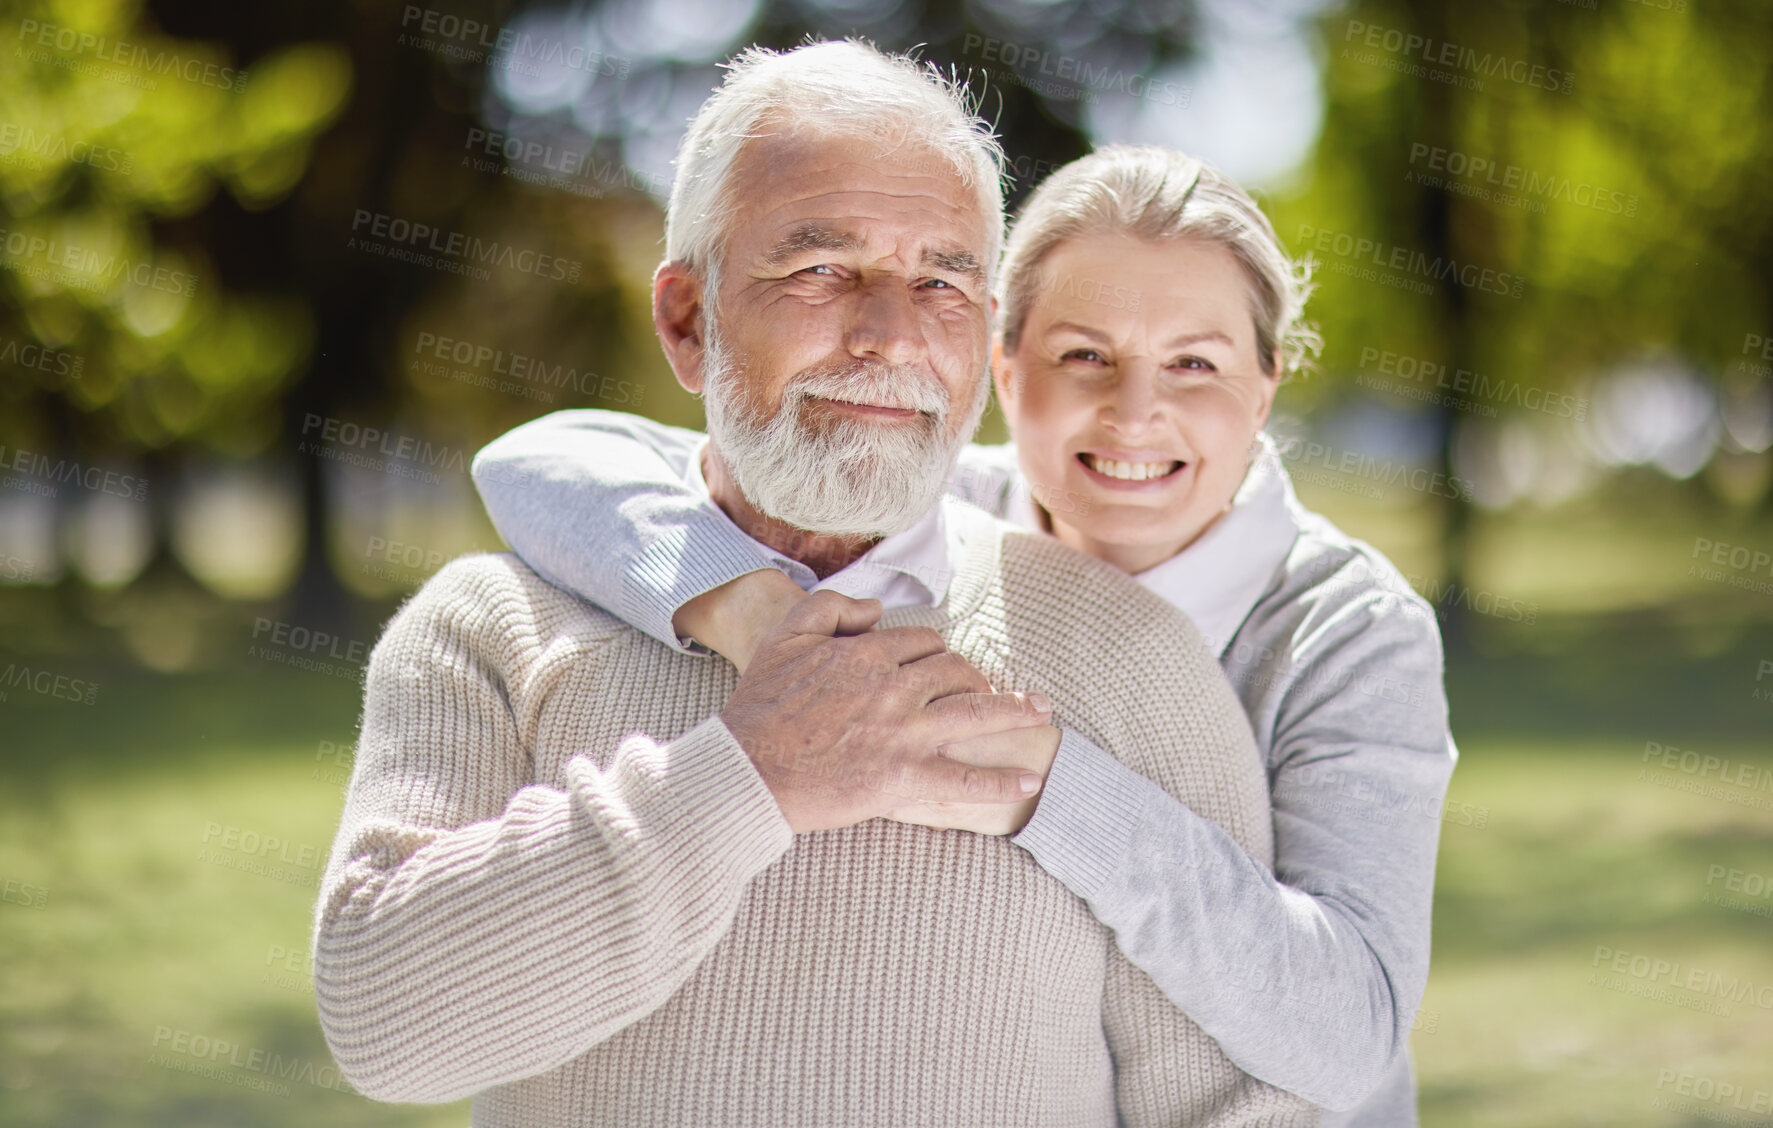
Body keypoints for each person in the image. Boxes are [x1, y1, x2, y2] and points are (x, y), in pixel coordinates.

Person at [316, 43, 1314, 1127]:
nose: (889, 335)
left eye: (941, 282)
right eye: (820, 271)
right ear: (687, 321)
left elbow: (1239, 1102)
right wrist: (751, 776)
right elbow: (384, 1028)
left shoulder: (1129, 654)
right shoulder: (491, 630)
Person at [472, 146, 1459, 1125]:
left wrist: (1052, 789)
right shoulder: (939, 514)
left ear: (1265, 386)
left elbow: (1350, 1031)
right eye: (1085, 356)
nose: (1135, 414)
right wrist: (745, 606)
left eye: (1195, 364)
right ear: (1004, 366)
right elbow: (543, 460)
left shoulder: (1349, 631)